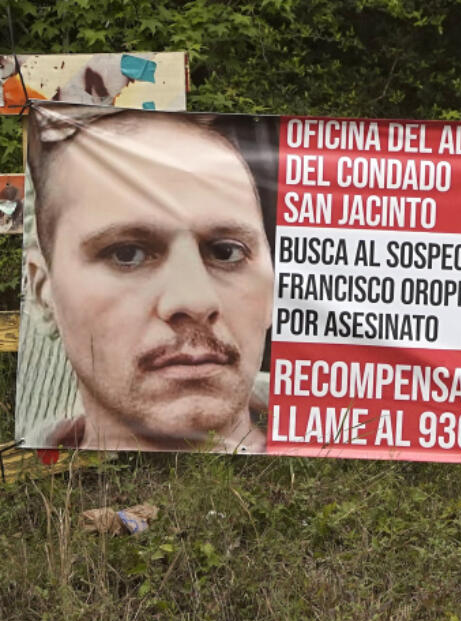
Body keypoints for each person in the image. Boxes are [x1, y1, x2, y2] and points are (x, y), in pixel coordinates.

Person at [23, 104, 275, 452]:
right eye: (127, 254)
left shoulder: (346, 440)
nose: (195, 300)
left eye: (225, 252)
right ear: (41, 291)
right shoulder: (34, 487)